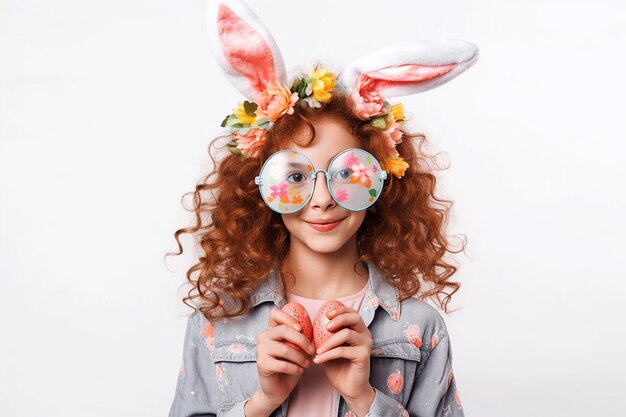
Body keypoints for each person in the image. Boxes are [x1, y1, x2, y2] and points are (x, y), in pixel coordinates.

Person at [167, 1, 479, 416]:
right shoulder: (218, 322)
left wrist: (365, 399)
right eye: (295, 176)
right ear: (258, 187)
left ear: (383, 179)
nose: (322, 198)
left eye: (347, 174)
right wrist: (261, 403)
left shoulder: (418, 328)